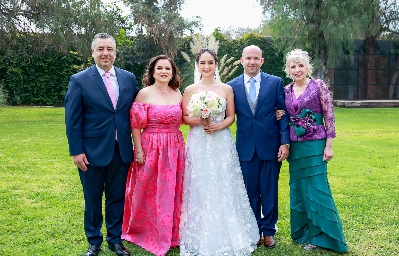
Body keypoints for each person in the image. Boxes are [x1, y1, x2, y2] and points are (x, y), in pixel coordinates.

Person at [180, 48, 259, 255]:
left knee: (222, 181)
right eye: (202, 63)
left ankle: (228, 228)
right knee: (199, 182)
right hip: (198, 140)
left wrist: (217, 126)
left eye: (210, 63)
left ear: (216, 65)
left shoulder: (226, 89)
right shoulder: (189, 90)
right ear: (197, 65)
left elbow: (231, 116)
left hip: (220, 140)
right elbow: (184, 118)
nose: (206, 67)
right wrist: (201, 120)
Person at [65, 33, 139, 256]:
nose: (105, 53)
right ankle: (94, 241)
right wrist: (77, 151)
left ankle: (115, 240)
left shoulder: (128, 79)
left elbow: (136, 109)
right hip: (91, 151)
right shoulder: (79, 80)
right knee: (93, 198)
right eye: (100, 49)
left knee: (117, 197)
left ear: (115, 52)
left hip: (121, 150)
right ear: (93, 52)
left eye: (109, 49)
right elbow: (72, 119)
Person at [283, 49, 348, 252]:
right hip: (296, 147)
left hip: (316, 144)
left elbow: (329, 116)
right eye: (293, 66)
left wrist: (329, 145)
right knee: (299, 188)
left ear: (307, 67)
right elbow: (284, 116)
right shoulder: (286, 90)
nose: (297, 69)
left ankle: (326, 237)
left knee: (318, 188)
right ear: (288, 70)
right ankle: (304, 233)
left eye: (300, 65)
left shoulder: (318, 85)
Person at [227, 45, 290, 249]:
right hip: (245, 146)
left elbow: (282, 113)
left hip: (271, 145)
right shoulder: (231, 86)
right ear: (242, 60)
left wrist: (284, 142)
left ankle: (269, 230)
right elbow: (228, 115)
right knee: (250, 191)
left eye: (256, 58)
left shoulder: (275, 82)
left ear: (262, 61)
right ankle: (254, 230)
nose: (252, 62)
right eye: (248, 58)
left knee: (269, 190)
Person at [121, 55, 185, 256]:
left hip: (174, 147)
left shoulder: (178, 93)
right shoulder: (143, 94)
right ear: (153, 72)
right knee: (147, 190)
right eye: (160, 68)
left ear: (173, 72)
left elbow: (185, 118)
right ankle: (144, 230)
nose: (164, 71)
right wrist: (138, 150)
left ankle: (171, 232)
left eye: (168, 68)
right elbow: (135, 126)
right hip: (150, 147)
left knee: (172, 189)